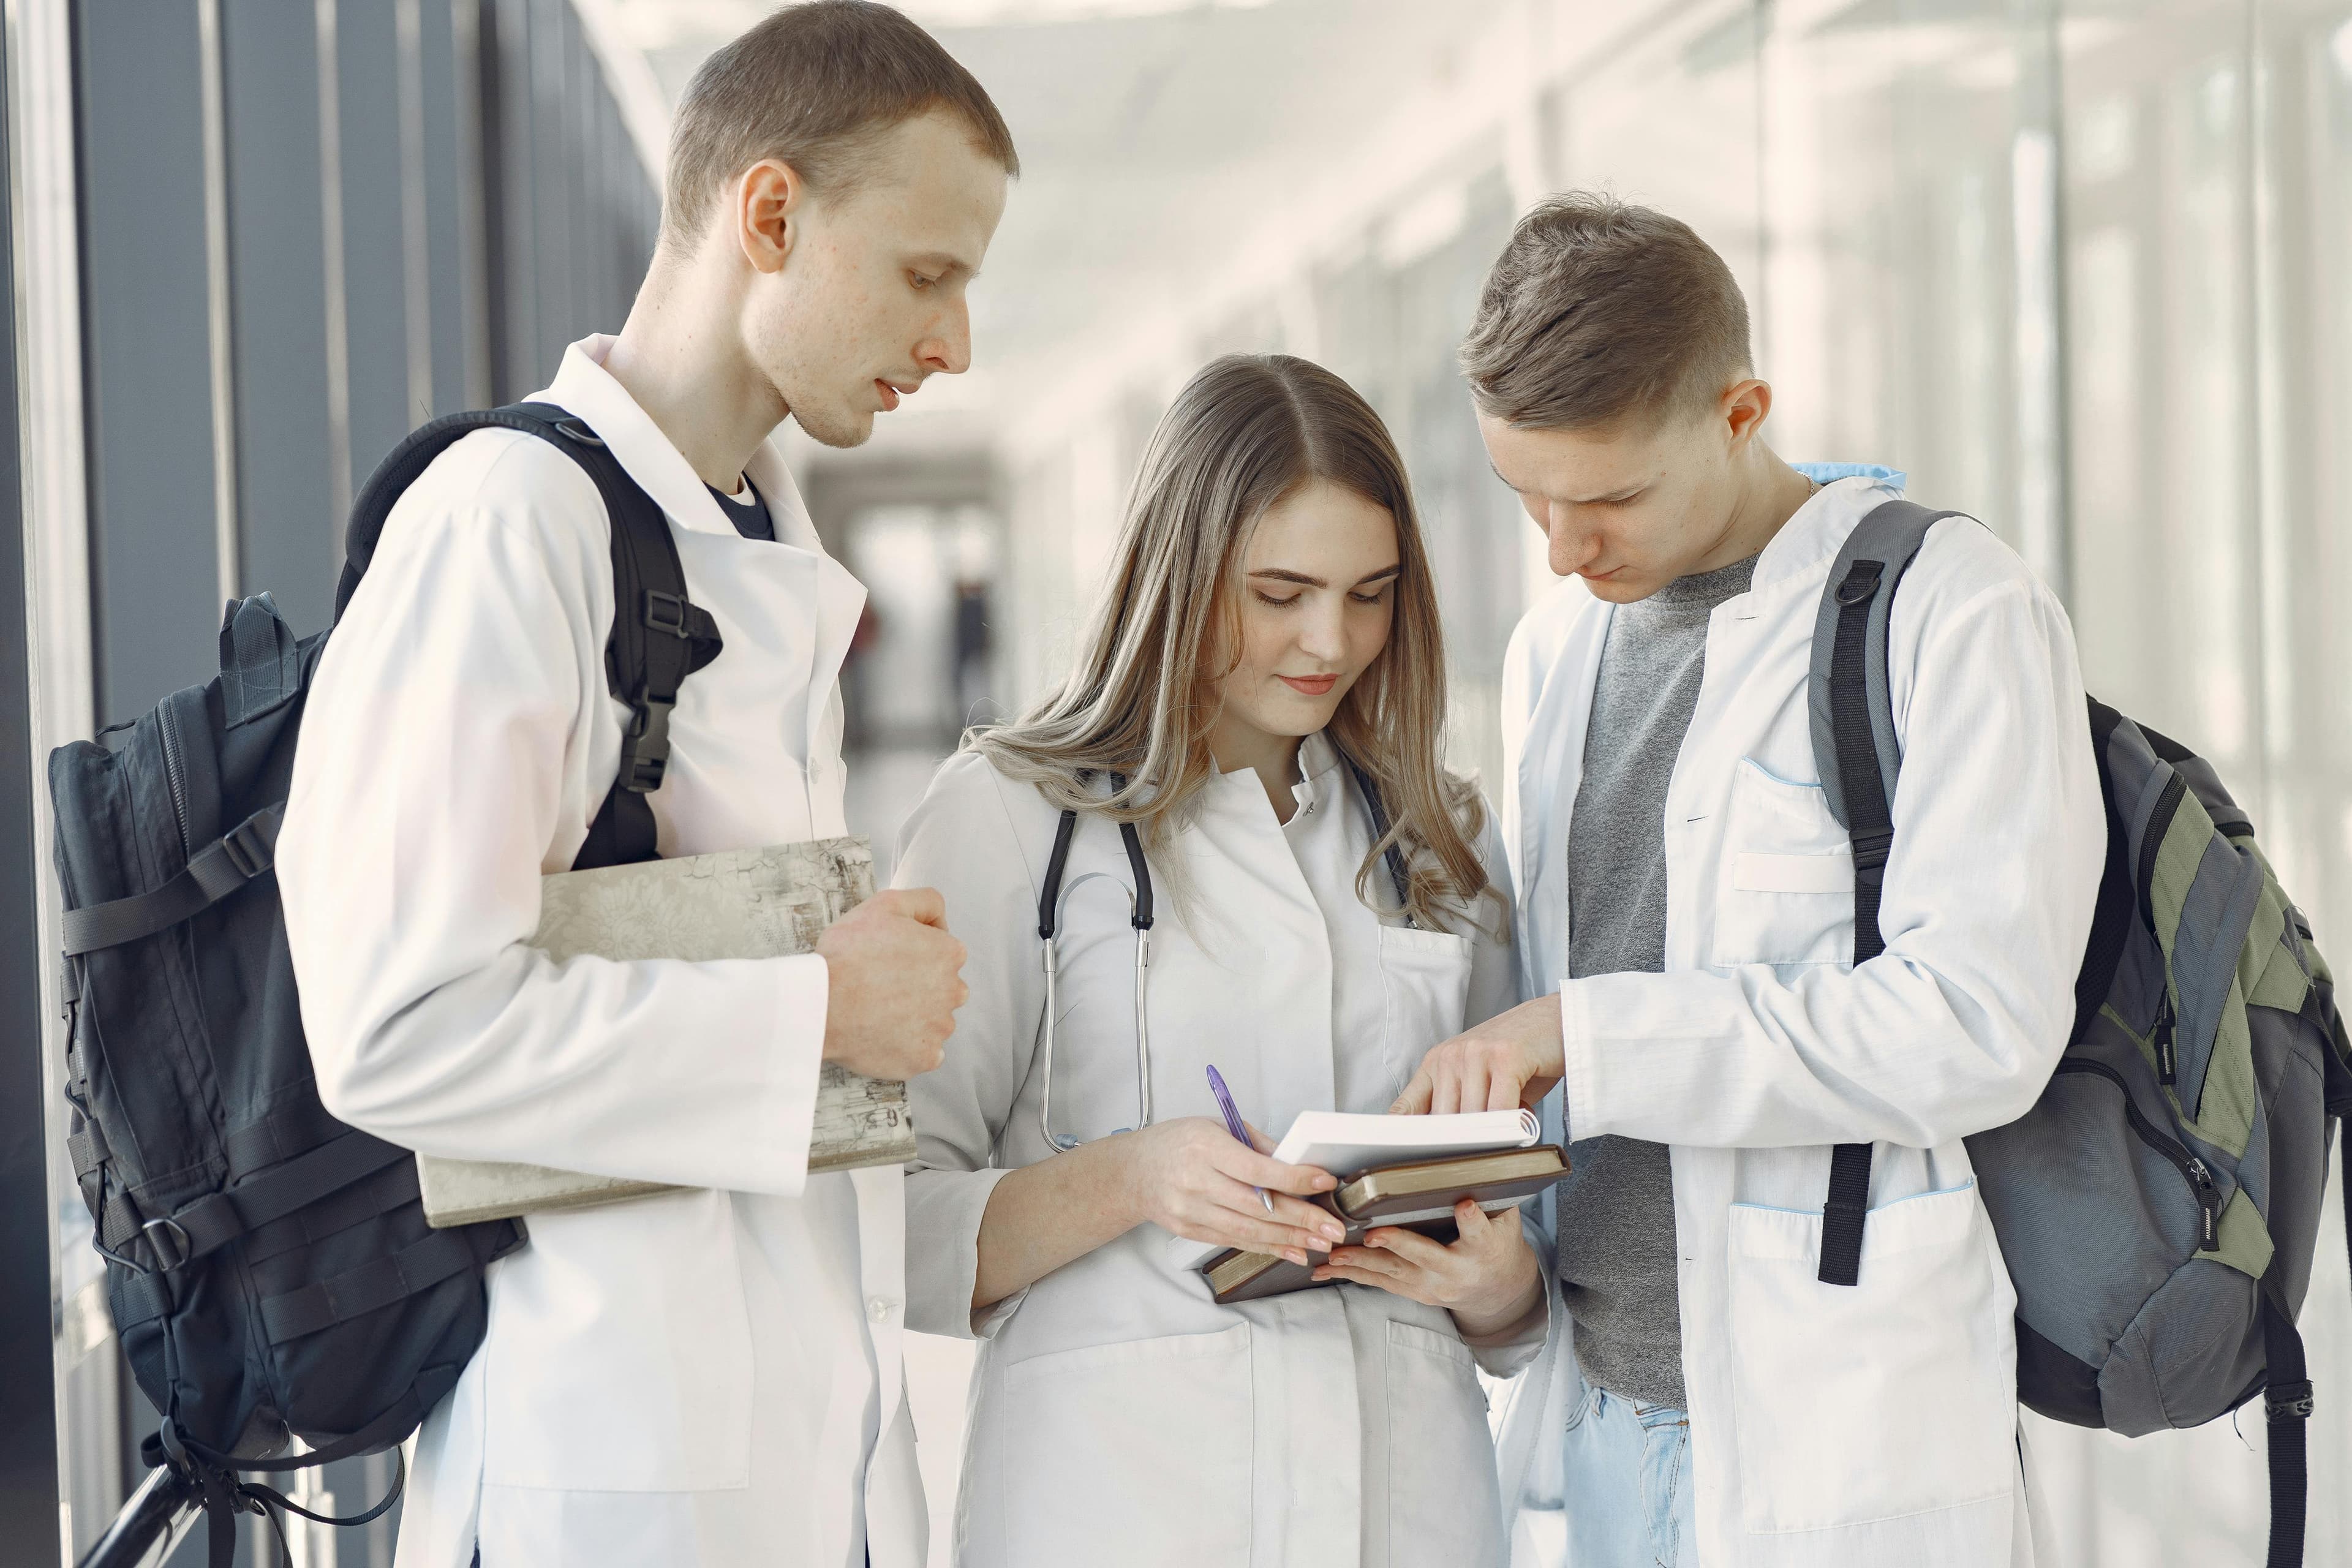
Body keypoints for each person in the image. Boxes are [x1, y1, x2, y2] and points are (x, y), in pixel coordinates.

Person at [274, 7, 1014, 1564]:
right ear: (769, 213)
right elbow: (398, 1023)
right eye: (928, 275)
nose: (955, 342)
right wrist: (821, 1014)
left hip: (783, 1471)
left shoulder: (753, 538)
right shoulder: (508, 520)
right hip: (598, 1474)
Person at [1387, 194, 2104, 1566]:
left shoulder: (1951, 608)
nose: (1563, 547)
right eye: (1527, 495)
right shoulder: (1557, 654)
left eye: (1609, 497)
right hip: (1600, 1416)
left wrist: (1586, 1033)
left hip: (1838, 1440)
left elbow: (1979, 1021)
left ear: (1742, 408)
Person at [892, 354, 1534, 1567]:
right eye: (1279, 591)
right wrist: (1137, 1177)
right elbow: (883, 1224)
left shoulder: (1439, 836)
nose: (1329, 639)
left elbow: (1515, 1236)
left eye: (1371, 592)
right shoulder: (1009, 819)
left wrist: (1500, 1287)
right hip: (1120, 1498)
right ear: (1178, 574)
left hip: (1411, 1498)